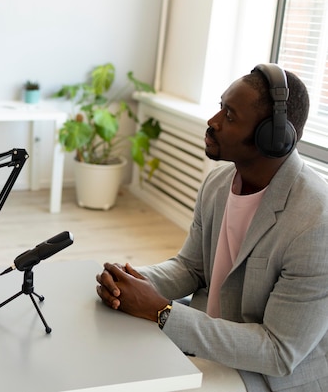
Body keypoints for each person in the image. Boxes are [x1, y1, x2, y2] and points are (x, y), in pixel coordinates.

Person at [96, 64, 328, 391]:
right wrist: (132, 281)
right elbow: (191, 267)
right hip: (209, 341)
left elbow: (279, 352)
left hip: (269, 376)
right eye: (221, 107)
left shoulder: (316, 222)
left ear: (272, 138)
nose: (213, 122)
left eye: (229, 116)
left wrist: (162, 312)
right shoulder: (218, 183)